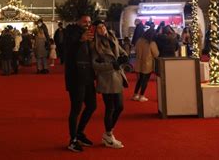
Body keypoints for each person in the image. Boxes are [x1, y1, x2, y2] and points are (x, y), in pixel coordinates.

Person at [92, 20, 129, 149]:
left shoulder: (113, 38)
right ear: (95, 31)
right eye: (98, 28)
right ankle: (108, 135)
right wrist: (111, 65)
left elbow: (121, 51)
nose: (101, 29)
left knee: (120, 106)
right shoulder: (95, 45)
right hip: (106, 79)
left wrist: (124, 57)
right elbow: (95, 65)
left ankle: (108, 133)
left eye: (102, 26)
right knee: (110, 108)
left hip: (117, 77)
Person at [64, 15, 96, 152]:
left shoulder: (88, 35)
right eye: (84, 21)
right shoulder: (71, 32)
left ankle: (79, 133)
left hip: (88, 76)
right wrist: (80, 40)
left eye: (89, 22)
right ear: (78, 21)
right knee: (76, 109)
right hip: (76, 77)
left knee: (92, 105)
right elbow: (66, 51)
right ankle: (73, 139)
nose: (87, 24)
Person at [133, 29, 159, 102]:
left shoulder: (139, 41)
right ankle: (142, 96)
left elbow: (135, 50)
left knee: (140, 80)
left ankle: (135, 95)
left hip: (138, 62)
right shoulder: (151, 43)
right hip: (147, 64)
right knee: (145, 80)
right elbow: (156, 54)